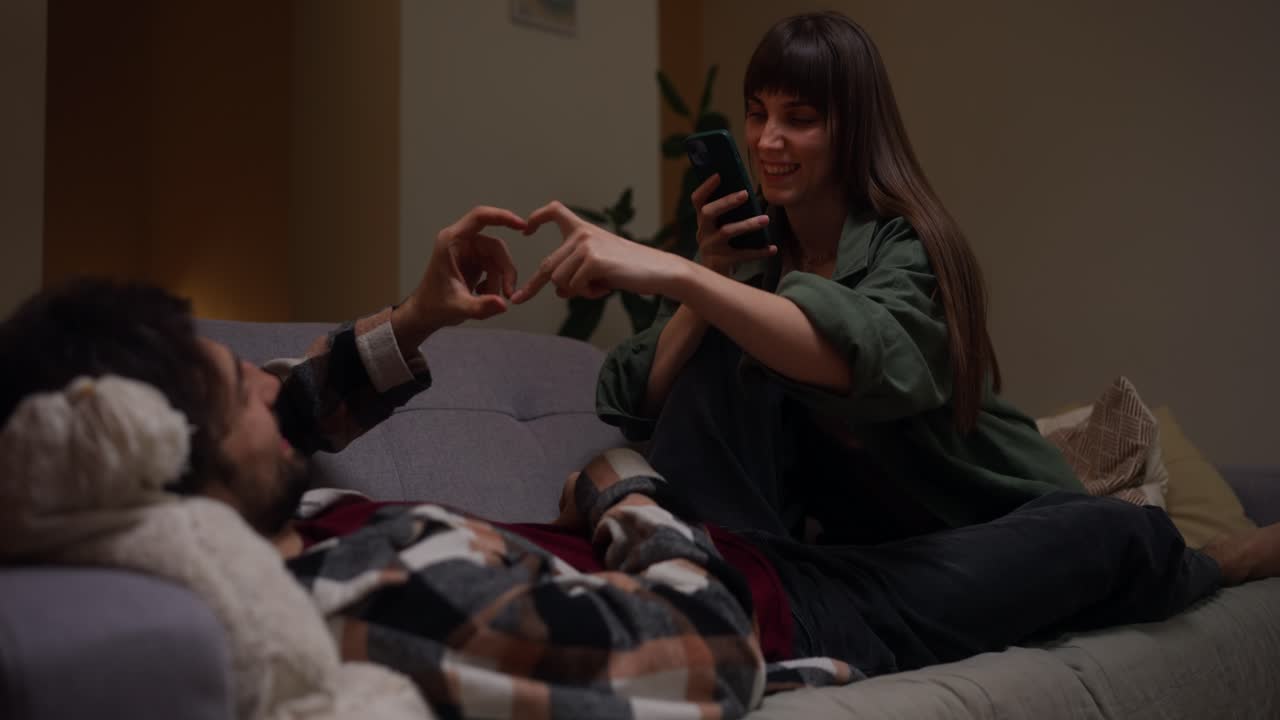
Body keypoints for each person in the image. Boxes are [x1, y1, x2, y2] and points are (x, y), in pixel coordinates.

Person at [4, 202, 1280, 715]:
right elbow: (712, 660)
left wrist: (429, 313)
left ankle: (917, 526)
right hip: (765, 598)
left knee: (744, 340)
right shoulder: (374, 591)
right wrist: (622, 491)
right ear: (151, 457)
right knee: (1103, 535)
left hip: (717, 534)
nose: (271, 392)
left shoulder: (240, 504)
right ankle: (1202, 564)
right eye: (241, 387)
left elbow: (302, 406)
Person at [514, 11, 1082, 545]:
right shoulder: (748, 253)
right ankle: (682, 549)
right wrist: (710, 277)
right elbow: (636, 397)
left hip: (986, 516)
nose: (766, 140)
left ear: (854, 130)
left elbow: (862, 361)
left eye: (800, 119)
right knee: (720, 350)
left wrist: (682, 276)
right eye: (758, 113)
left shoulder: (908, 243)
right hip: (850, 538)